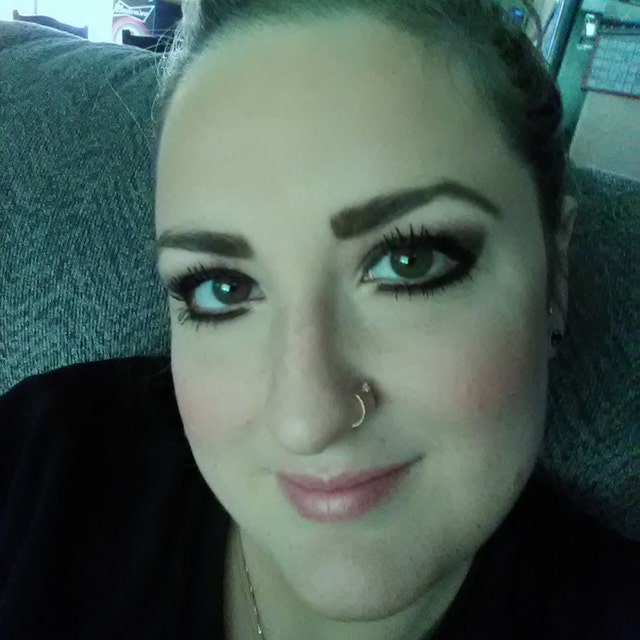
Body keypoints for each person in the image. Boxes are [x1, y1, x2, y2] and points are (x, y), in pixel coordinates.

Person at [1, 1, 637, 639]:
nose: (307, 421)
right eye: (222, 288)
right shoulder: (42, 467)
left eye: (409, 262)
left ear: (556, 271)